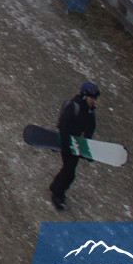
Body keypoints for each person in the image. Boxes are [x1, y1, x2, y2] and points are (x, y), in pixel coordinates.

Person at [49, 81, 100, 211]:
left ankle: (57, 189)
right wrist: (66, 144)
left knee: (70, 171)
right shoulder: (74, 107)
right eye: (91, 97)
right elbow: (62, 126)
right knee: (69, 171)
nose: (94, 100)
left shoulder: (90, 112)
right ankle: (57, 193)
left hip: (76, 145)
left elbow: (89, 131)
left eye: (95, 98)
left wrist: (87, 151)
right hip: (68, 143)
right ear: (84, 96)